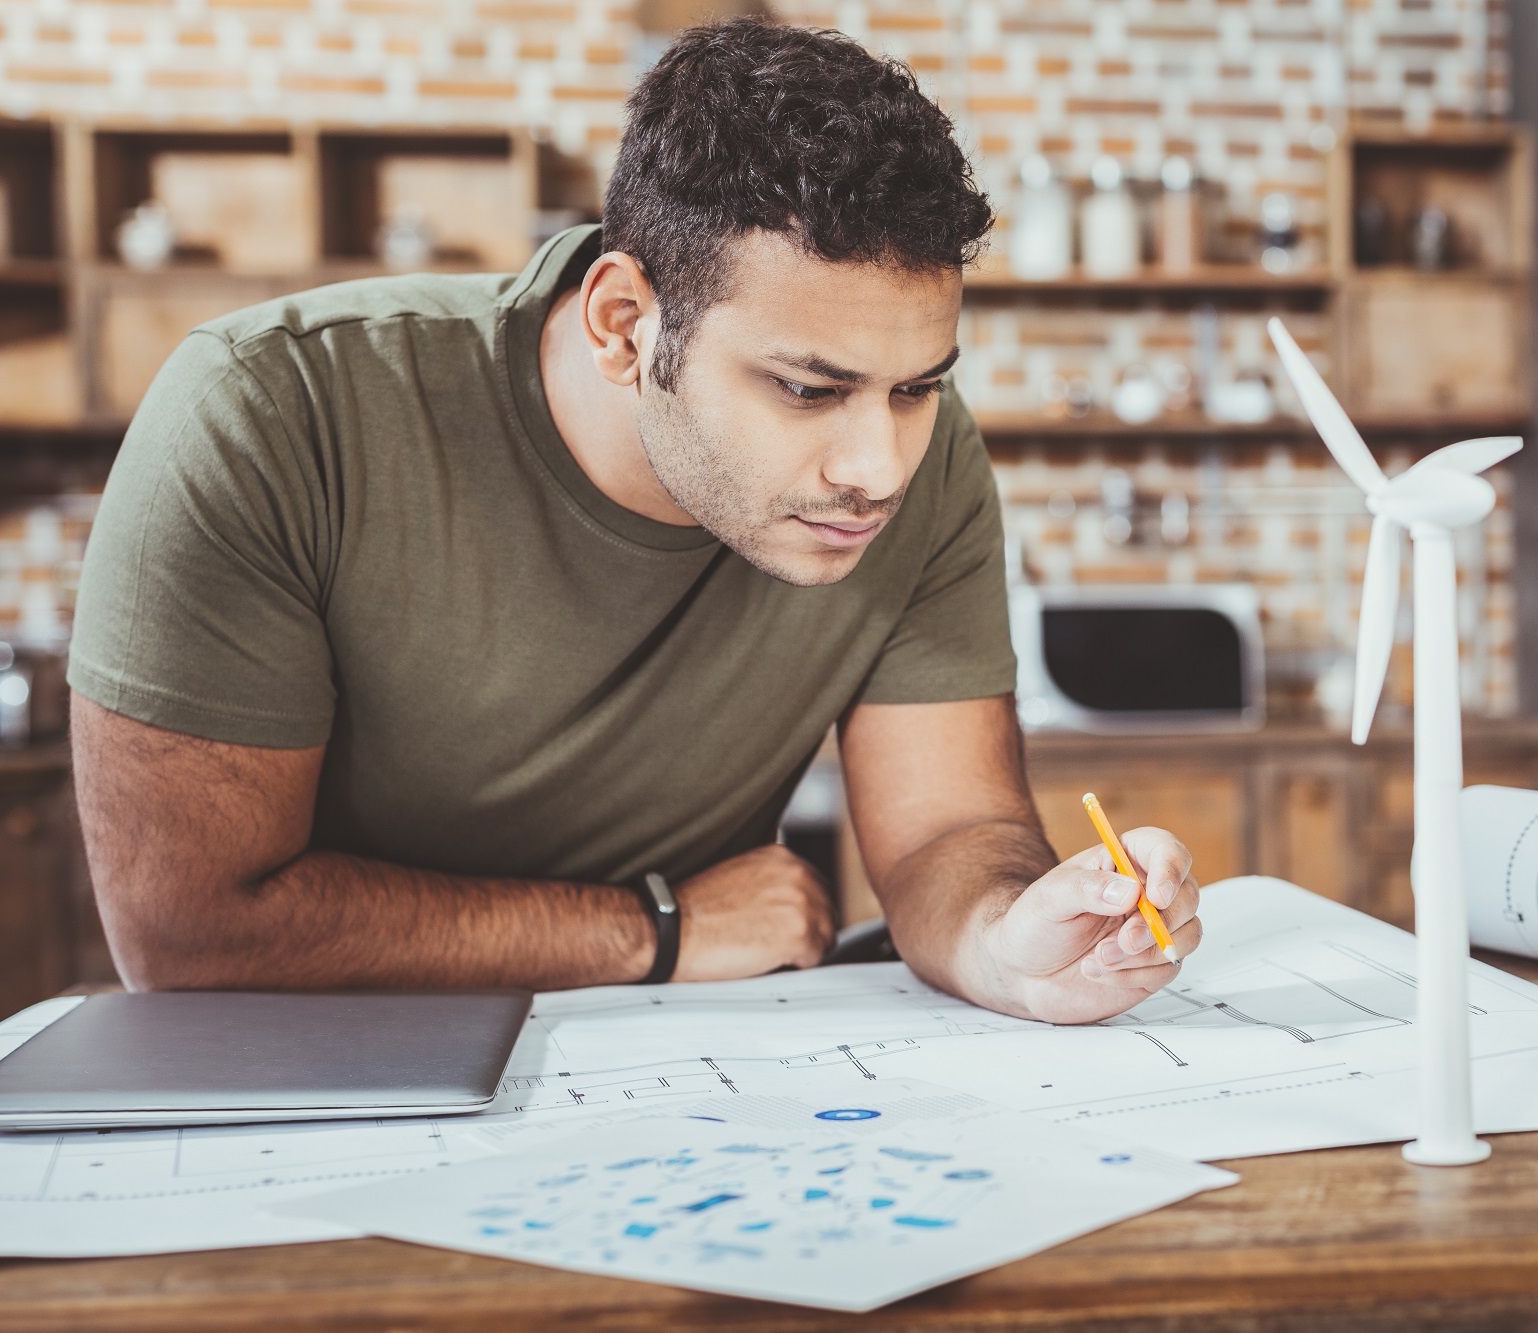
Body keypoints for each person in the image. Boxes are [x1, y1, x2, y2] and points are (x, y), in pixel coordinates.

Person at [66, 19, 1201, 1024]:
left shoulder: (925, 459)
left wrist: (1011, 945)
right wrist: (652, 930)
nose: (877, 466)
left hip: (682, 1078)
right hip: (318, 1076)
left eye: (917, 385)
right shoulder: (270, 410)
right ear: (622, 325)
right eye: (808, 389)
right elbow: (187, 931)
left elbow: (948, 831)